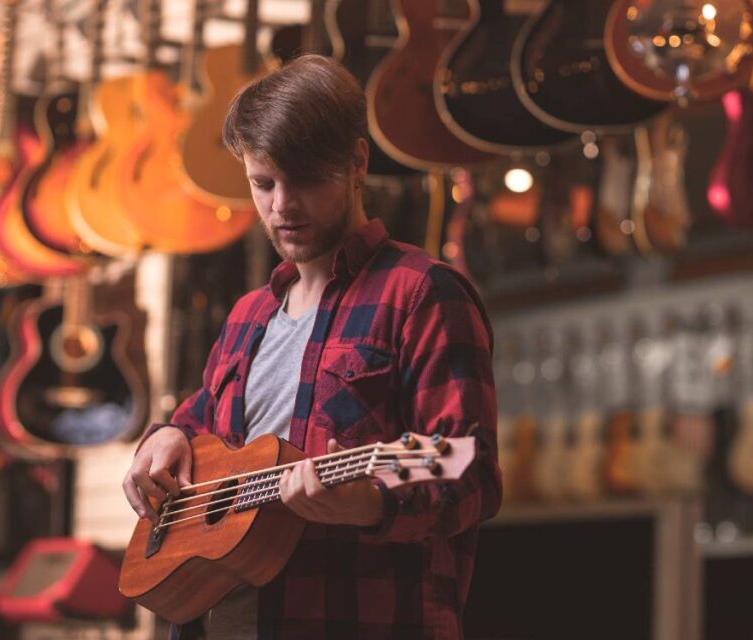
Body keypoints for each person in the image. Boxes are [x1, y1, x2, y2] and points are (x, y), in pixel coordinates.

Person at [122, 54, 501, 640]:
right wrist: (165, 437)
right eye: (263, 183)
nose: (282, 206)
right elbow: (203, 428)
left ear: (356, 163)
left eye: (304, 180)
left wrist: (369, 504)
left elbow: (470, 473)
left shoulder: (423, 295)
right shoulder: (250, 315)